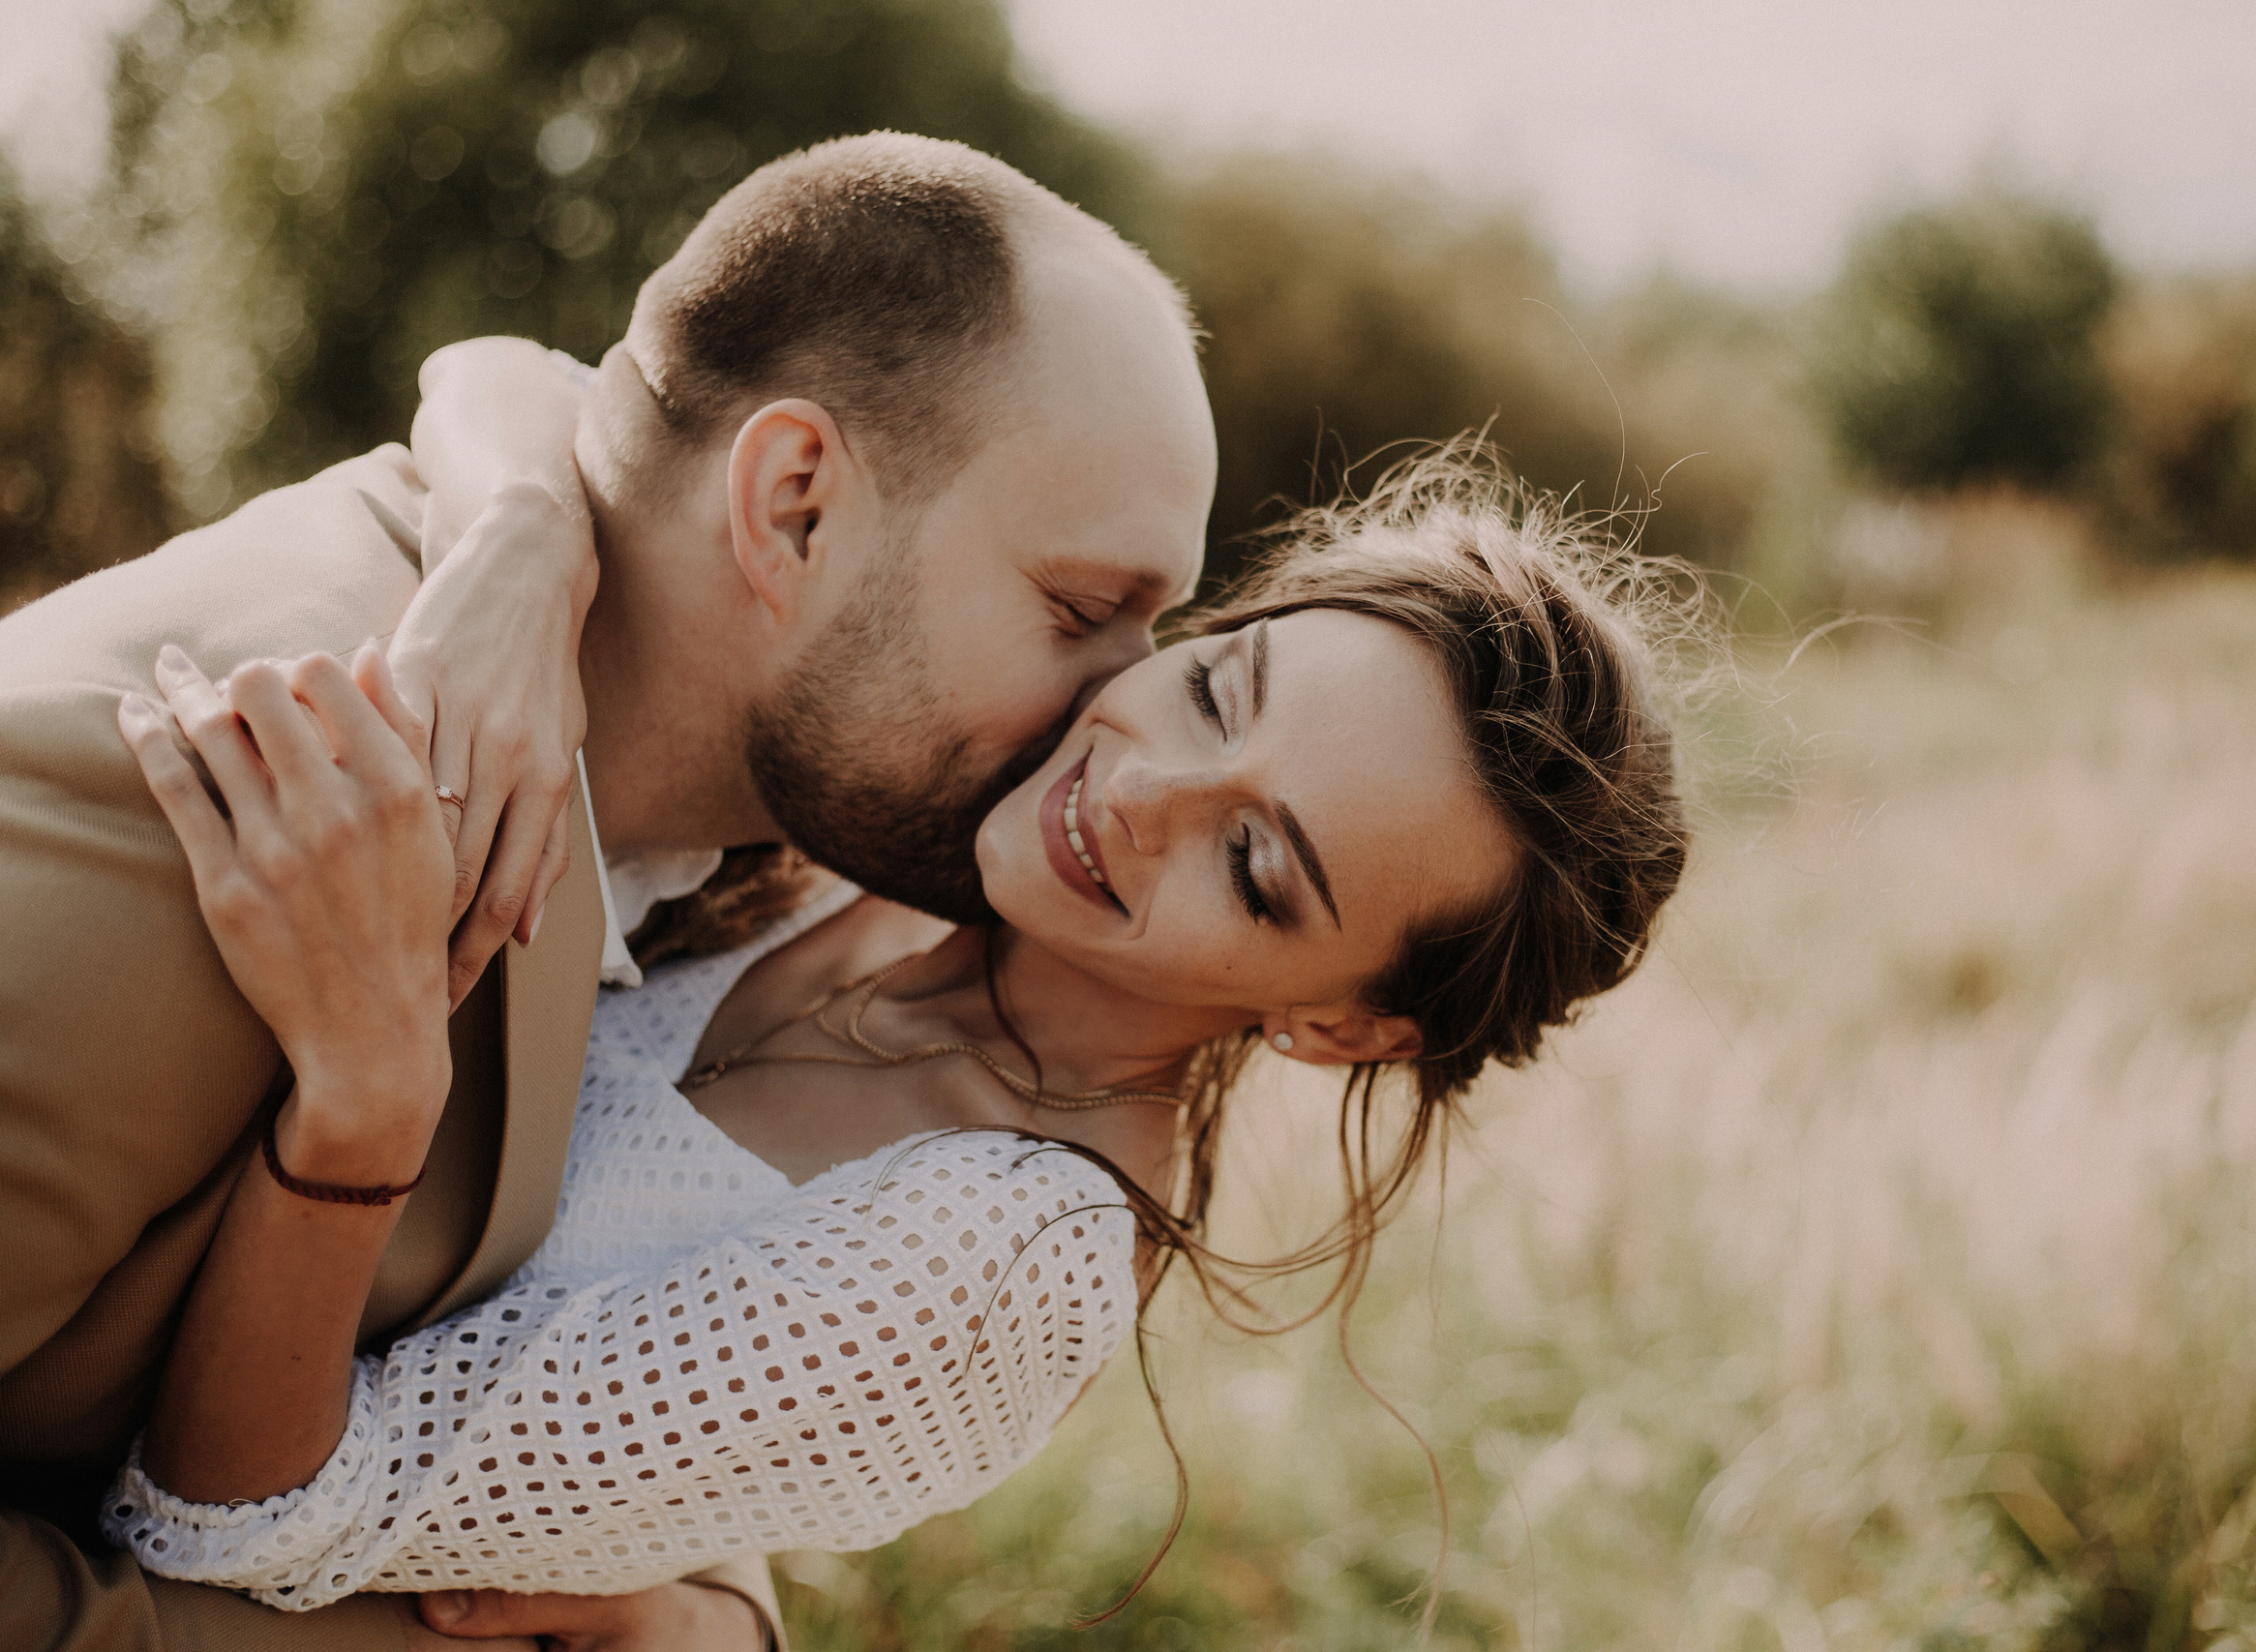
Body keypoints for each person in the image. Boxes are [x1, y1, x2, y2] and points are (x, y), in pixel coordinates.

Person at [95, 451, 1695, 1634]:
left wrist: (366, 1098)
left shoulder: (992, 1270)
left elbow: (239, 1520)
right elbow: (584, 392)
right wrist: (526, 532)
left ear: (1340, 1024)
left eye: (1256, 866)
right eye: (1217, 693)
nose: (1138, 794)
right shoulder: (933, 814)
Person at [0, 132, 1213, 1652]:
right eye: (1083, 609)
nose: (1119, 710)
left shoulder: (736, 869)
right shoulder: (215, 815)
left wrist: (714, 1618)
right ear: (793, 506)